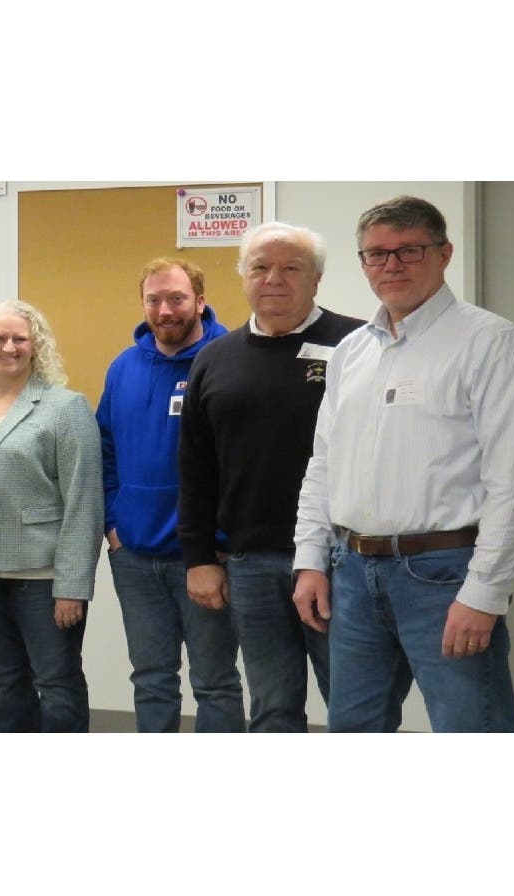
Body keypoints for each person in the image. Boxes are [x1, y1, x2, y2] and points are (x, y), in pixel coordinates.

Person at [293, 196, 514, 732]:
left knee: (469, 729)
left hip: (444, 577)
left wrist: (484, 592)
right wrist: (310, 558)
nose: (391, 266)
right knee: (354, 730)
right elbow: (324, 464)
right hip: (353, 574)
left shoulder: (491, 344)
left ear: (444, 253)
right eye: (376, 255)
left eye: (409, 251)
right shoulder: (350, 353)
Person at [177, 222, 363, 732]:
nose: (274, 279)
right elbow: (195, 467)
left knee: (354, 705)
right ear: (242, 277)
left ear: (317, 278)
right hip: (251, 561)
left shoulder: (359, 344)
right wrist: (198, 558)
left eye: (291, 267)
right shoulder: (215, 359)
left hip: (340, 560)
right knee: (273, 706)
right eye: (260, 267)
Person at [97, 257, 244, 732]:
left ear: (200, 301)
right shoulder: (124, 366)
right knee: (152, 680)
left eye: (177, 298)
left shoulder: (231, 357)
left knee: (215, 682)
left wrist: (220, 541)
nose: (165, 310)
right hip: (136, 557)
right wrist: (114, 527)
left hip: (206, 556)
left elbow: (244, 462)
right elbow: (106, 450)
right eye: (154, 299)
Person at [0, 300, 103, 732]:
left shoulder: (64, 406)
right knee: (3, 680)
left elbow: (84, 499)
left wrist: (73, 585)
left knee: (56, 682)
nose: (9, 347)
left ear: (36, 346)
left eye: (20, 338)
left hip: (44, 574)